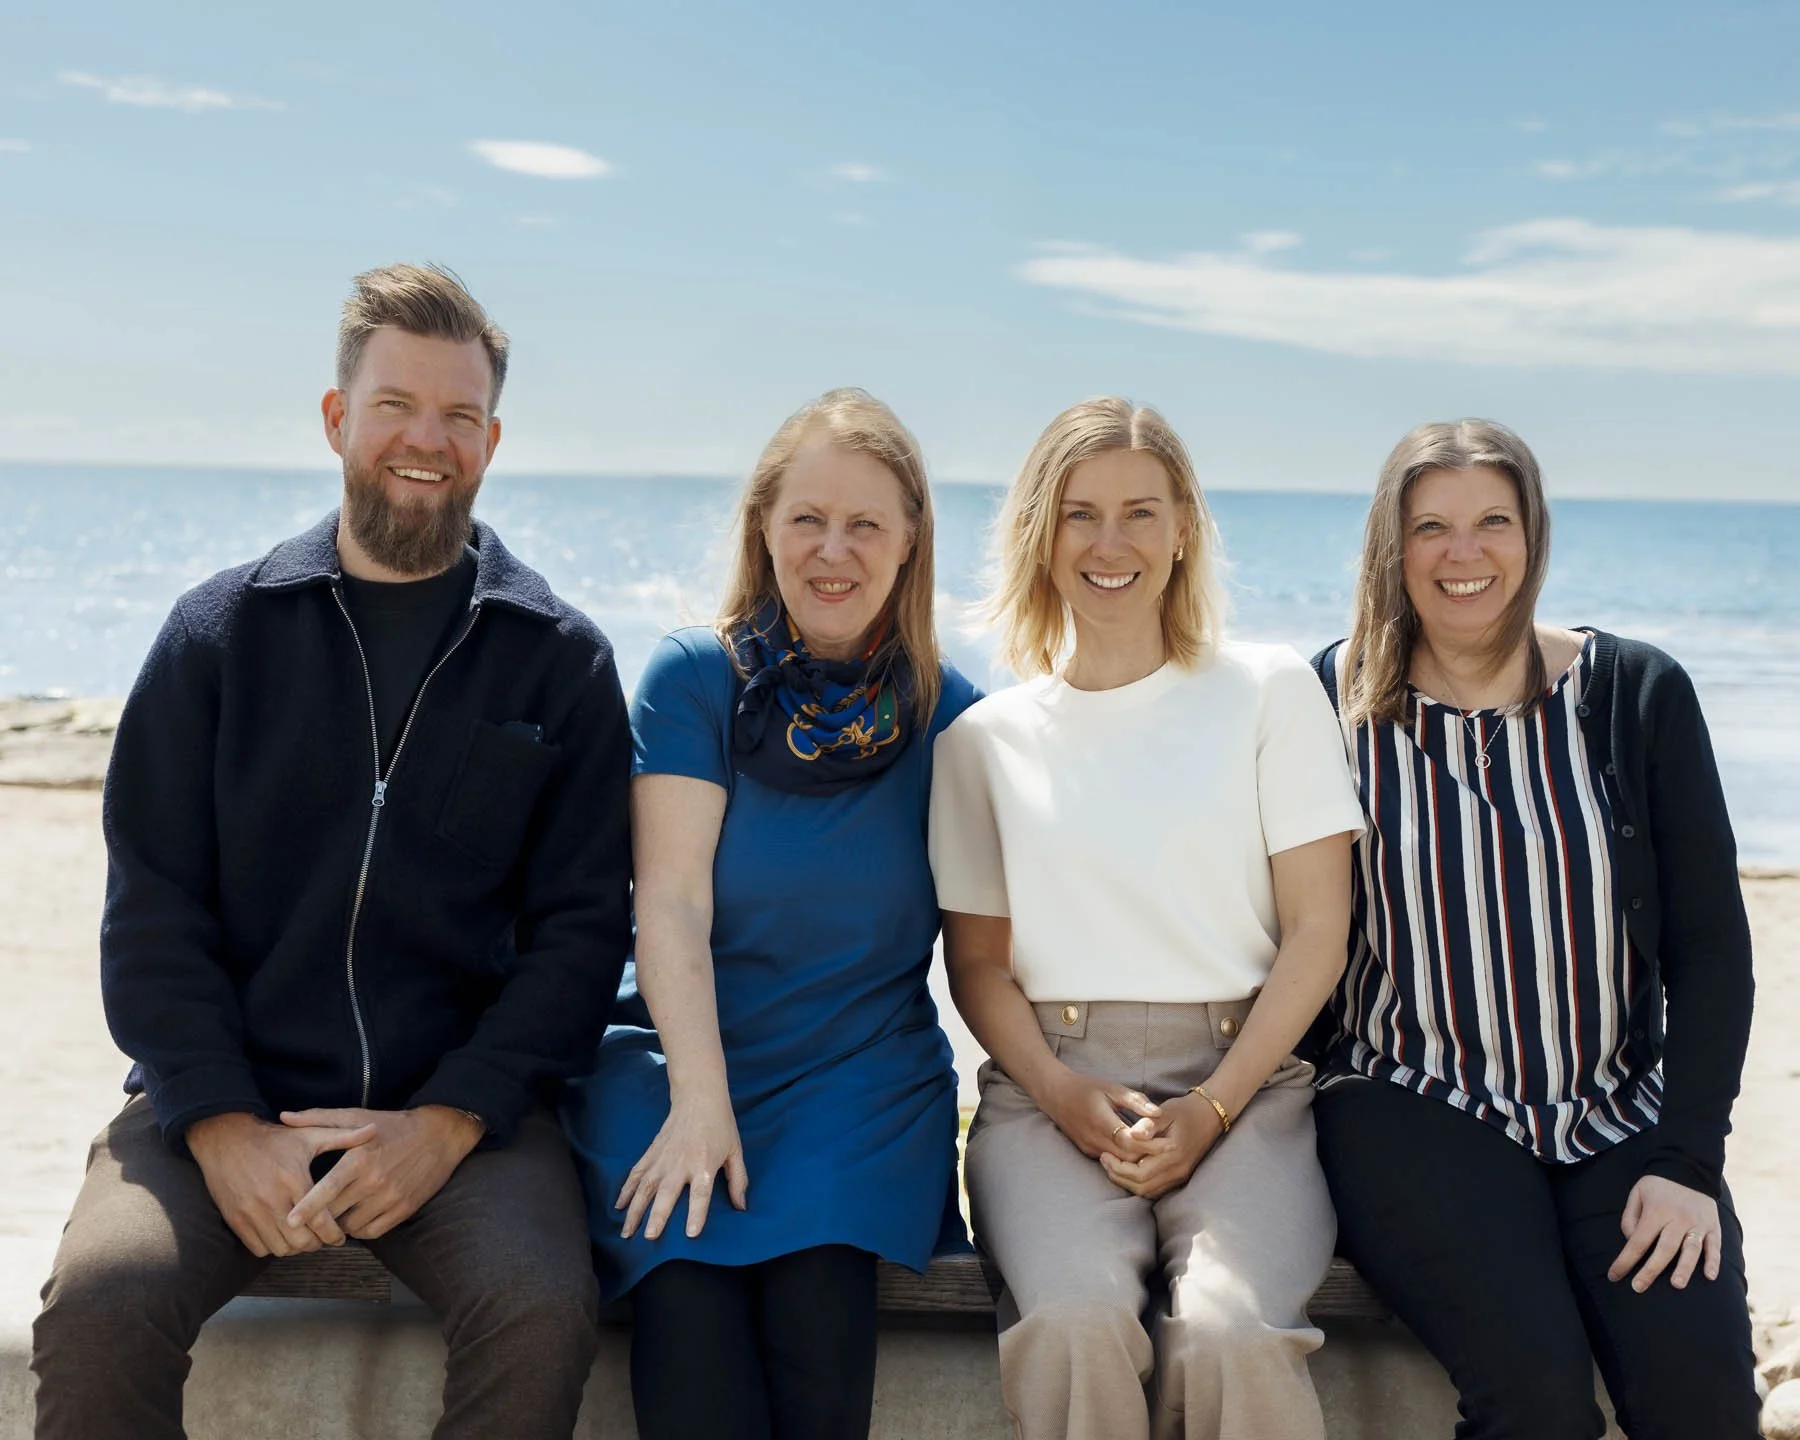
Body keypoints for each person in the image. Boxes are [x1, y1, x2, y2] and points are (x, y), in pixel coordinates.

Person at [30, 263, 634, 1440]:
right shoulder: (219, 636)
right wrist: (218, 1122)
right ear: (334, 419)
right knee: (103, 1304)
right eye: (397, 405)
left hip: (463, 1130)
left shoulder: (560, 661)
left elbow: (580, 938)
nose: (428, 440)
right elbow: (151, 915)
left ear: (493, 440)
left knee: (541, 1310)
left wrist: (451, 1119)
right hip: (222, 1102)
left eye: (460, 416)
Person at [1308, 418, 1761, 1439]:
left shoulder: (1634, 693)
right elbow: (1284, 930)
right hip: (1417, 1106)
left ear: (1533, 534)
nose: (1463, 554)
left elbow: (1712, 947)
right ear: (1394, 546)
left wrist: (1688, 1162)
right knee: (1540, 1405)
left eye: (1491, 522)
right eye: (1431, 527)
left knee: (1704, 1405)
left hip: (1613, 1110)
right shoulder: (1322, 703)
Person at [928, 397, 1363, 1440]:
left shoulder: (1268, 693)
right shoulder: (982, 742)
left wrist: (1213, 1106)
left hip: (1247, 1086)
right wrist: (1065, 1092)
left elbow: (1318, 934)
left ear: (1183, 532)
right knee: (1073, 1321)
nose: (1109, 543)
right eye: (1079, 514)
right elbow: (978, 967)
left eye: (1139, 512)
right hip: (1051, 1096)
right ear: (1041, 534)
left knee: (1232, 1334)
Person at [561, 388, 978, 1440]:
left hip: (859, 1084)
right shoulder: (695, 676)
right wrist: (700, 1103)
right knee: (690, 1324)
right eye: (808, 518)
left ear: (910, 540)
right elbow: (668, 901)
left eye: (865, 523)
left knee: (816, 1320)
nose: (832, 551)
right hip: (677, 1056)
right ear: (763, 525)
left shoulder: (957, 720)